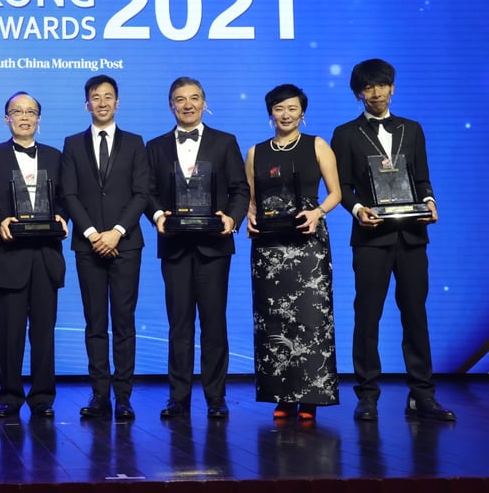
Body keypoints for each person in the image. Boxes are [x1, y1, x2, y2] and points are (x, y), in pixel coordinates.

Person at [330, 59, 454, 422]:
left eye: (382, 85)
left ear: (392, 88)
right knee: (367, 315)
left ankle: (422, 394)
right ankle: (367, 395)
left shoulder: (411, 129)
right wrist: (357, 210)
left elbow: (422, 178)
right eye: (368, 88)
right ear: (358, 93)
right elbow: (342, 186)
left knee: (415, 314)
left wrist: (429, 201)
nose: (376, 93)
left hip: (412, 235)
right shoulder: (345, 133)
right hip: (371, 238)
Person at [144, 77, 249, 420]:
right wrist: (158, 216)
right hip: (174, 246)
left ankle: (216, 397)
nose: (187, 105)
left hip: (214, 246)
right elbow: (147, 192)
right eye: (180, 99)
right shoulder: (155, 147)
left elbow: (240, 189)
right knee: (179, 325)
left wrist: (232, 219)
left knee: (214, 324)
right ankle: (178, 398)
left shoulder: (225, 142)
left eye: (194, 98)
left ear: (204, 103)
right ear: (170, 105)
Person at [244, 84, 341, 421]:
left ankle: (311, 396)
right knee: (273, 320)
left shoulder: (317, 145)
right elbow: (252, 200)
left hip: (308, 244)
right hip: (269, 249)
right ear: (270, 113)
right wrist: (249, 218)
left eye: (292, 108)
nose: (285, 115)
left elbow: (336, 193)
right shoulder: (255, 152)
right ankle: (282, 396)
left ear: (302, 112)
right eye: (279, 108)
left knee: (311, 319)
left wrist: (318, 213)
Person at [60, 75, 149, 421]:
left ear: (117, 102)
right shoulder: (72, 144)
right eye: (95, 97)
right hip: (88, 246)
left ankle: (123, 396)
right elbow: (69, 194)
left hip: (126, 244)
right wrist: (93, 234)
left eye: (108, 96)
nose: (102, 102)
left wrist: (116, 232)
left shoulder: (135, 142)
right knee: (94, 322)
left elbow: (141, 193)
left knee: (124, 322)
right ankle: (100, 394)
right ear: (87, 104)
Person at [0, 92, 68, 420]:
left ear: (39, 119)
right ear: (7, 119)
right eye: (17, 111)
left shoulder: (56, 156)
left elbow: (66, 199)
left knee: (44, 333)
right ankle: (9, 397)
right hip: (9, 257)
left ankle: (43, 397)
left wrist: (62, 216)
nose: (24, 117)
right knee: (9, 335)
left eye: (31, 112)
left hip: (45, 257)